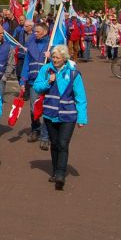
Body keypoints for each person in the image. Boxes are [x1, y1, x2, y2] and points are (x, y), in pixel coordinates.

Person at [33, 44, 88, 190]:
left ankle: (60, 174)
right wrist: (48, 81)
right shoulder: (46, 69)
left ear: (64, 58)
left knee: (63, 144)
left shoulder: (73, 73)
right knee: (55, 144)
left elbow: (80, 97)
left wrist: (82, 118)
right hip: (50, 115)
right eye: (53, 57)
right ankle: (55, 169)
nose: (54, 59)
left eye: (57, 57)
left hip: (68, 115)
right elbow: (36, 87)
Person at [22, 21, 51, 149]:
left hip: (48, 82)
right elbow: (26, 64)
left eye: (37, 31)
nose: (35, 33)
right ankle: (36, 130)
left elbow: (62, 61)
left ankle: (45, 136)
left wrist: (51, 57)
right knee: (34, 109)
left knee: (47, 110)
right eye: (34, 31)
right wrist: (23, 80)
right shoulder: (31, 45)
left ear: (45, 32)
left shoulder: (52, 45)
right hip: (34, 82)